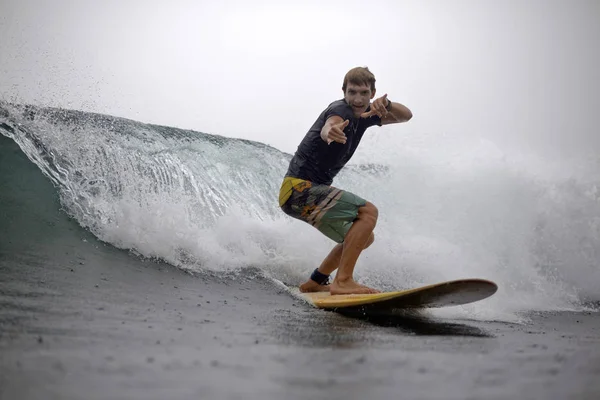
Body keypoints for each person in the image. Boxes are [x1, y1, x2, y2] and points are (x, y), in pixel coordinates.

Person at [278, 66, 412, 295]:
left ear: (372, 93)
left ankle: (317, 280)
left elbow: (406, 116)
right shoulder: (341, 110)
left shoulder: (366, 115)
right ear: (344, 92)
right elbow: (331, 123)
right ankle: (343, 281)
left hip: (299, 195)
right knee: (368, 212)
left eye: (363, 93)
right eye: (352, 92)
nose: (357, 99)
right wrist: (329, 131)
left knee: (363, 237)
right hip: (298, 190)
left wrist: (387, 105)